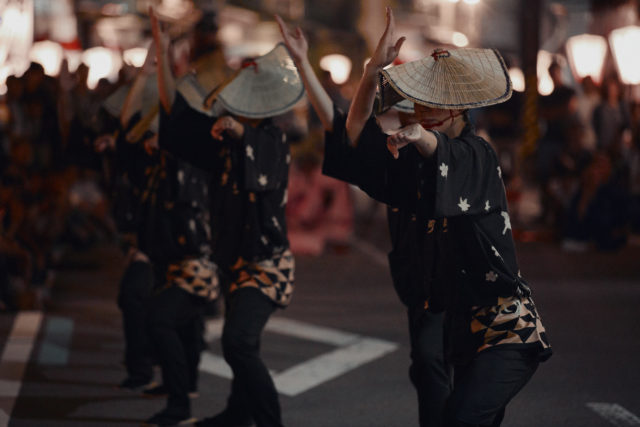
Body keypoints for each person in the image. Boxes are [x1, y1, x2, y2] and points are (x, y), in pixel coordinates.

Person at [279, 8, 550, 427]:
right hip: (454, 324)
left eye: (429, 108)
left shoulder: (477, 157)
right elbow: (351, 134)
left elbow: (441, 151)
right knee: (436, 386)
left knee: (456, 414)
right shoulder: (411, 167)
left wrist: (420, 136)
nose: (418, 114)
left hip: (504, 330)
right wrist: (372, 71)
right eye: (417, 107)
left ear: (458, 111)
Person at [151, 7, 299, 427]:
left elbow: (245, 142)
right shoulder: (219, 137)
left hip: (267, 264)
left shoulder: (272, 141)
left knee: (238, 341)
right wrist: (163, 54)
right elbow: (174, 116)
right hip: (233, 259)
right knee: (238, 342)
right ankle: (238, 413)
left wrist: (235, 131)